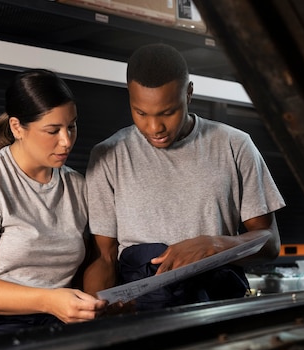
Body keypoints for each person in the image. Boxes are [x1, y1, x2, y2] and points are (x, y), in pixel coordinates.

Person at [84, 44, 286, 311]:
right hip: (141, 311)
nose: (154, 128)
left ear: (189, 93)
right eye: (141, 113)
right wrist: (98, 311)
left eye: (168, 112)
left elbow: (269, 243)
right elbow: (105, 257)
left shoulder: (235, 145)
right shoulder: (108, 155)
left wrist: (215, 245)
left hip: (217, 307)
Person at [0, 69, 107, 344]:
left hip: (52, 331)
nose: (67, 141)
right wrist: (49, 300)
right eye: (53, 130)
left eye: (71, 126)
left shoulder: (77, 185)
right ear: (17, 127)